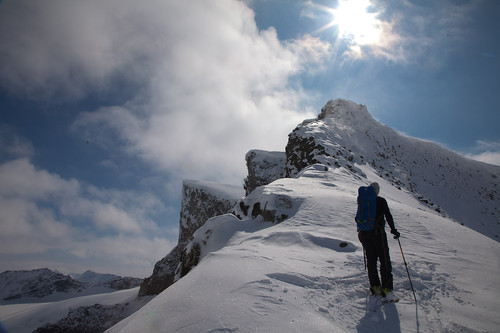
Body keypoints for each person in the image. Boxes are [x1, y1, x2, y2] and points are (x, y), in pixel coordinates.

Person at [358, 182, 400, 300]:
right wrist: (393, 230)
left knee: (371, 261)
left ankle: (375, 287)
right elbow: (388, 216)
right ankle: (386, 289)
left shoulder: (363, 201)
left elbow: (357, 218)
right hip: (378, 235)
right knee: (384, 260)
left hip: (364, 235)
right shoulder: (381, 201)